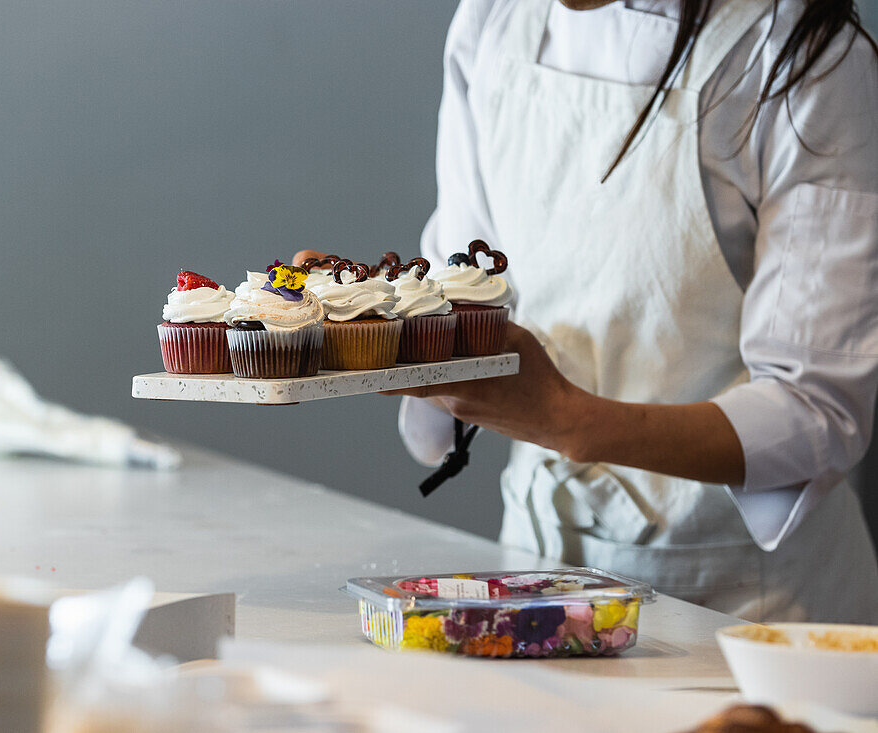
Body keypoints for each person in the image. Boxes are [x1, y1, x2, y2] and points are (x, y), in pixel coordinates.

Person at [297, 0, 878, 622]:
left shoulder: (802, 57)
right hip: (537, 577)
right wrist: (393, 318)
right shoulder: (494, 20)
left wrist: (566, 420)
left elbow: (819, 412)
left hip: (748, 611)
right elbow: (465, 284)